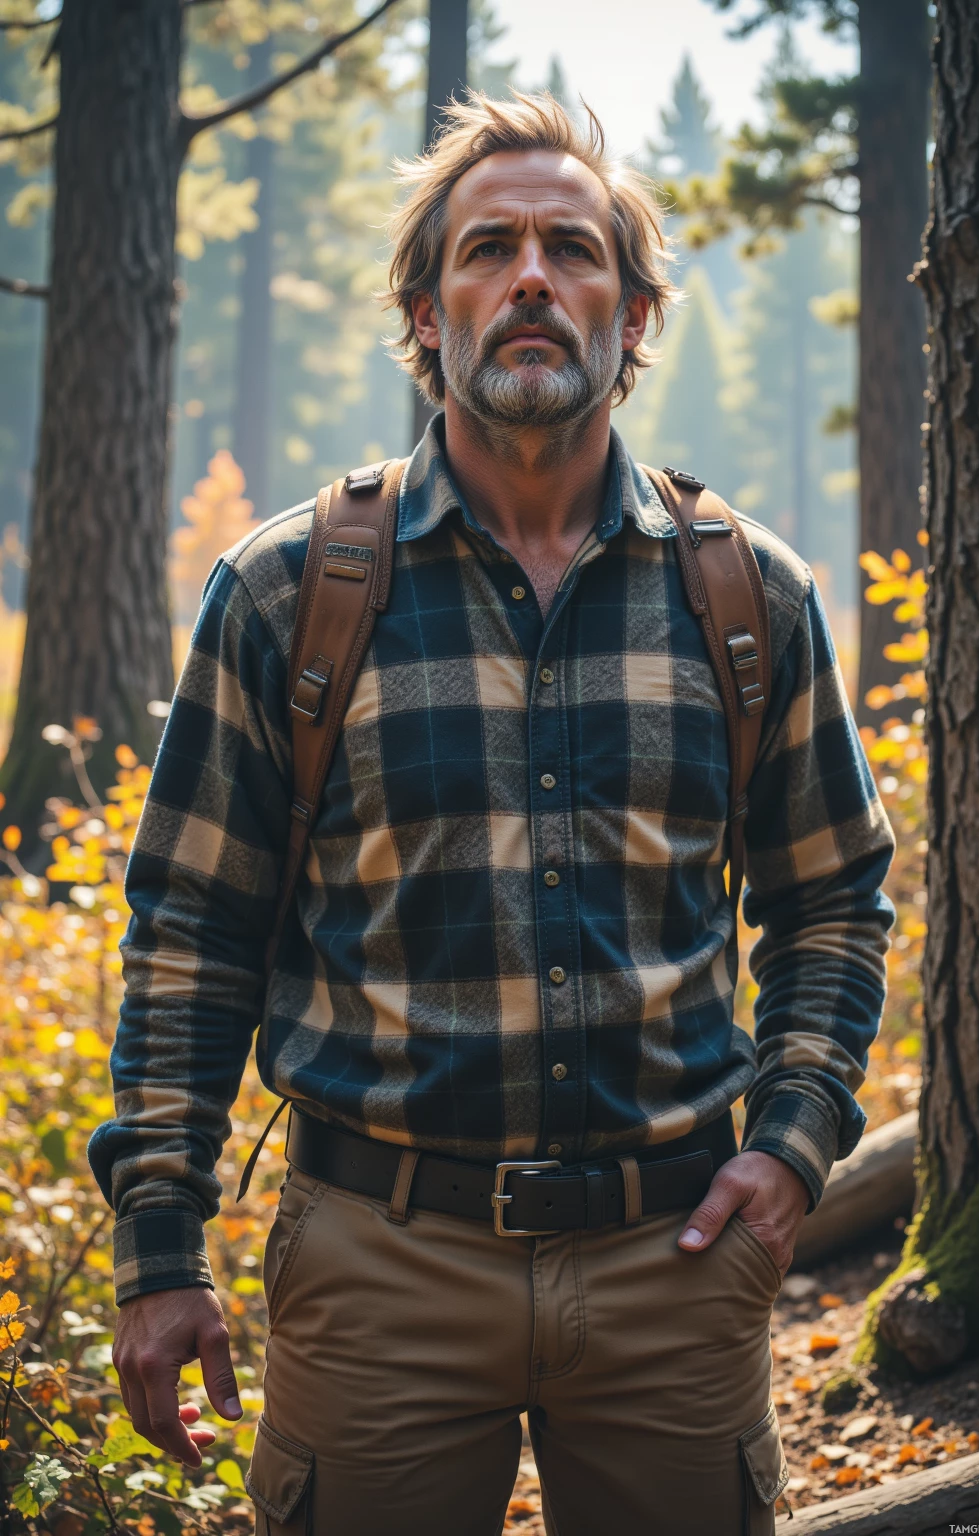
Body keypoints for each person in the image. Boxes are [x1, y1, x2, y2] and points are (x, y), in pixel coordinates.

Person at [90, 91, 895, 1536]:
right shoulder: (290, 593)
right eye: (489, 248)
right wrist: (161, 1246)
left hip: (678, 1262)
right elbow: (190, 933)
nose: (533, 278)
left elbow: (832, 900)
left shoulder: (747, 597)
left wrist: (794, 1141)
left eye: (574, 250)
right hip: (378, 1270)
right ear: (425, 306)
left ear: (635, 314)